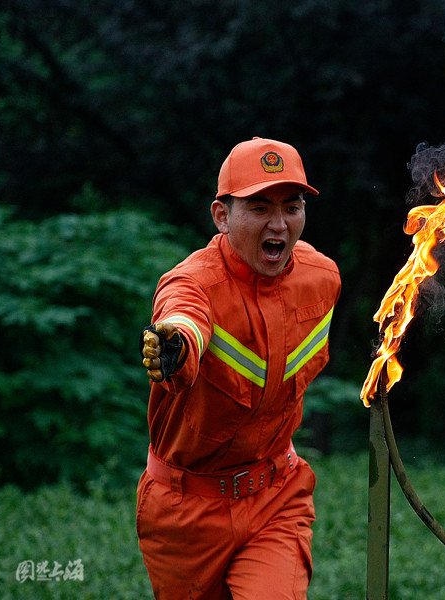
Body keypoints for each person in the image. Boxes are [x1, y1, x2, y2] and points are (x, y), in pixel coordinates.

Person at [136, 137, 341, 599]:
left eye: (292, 207)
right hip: (185, 513)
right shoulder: (193, 282)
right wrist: (177, 345)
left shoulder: (323, 278)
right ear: (221, 216)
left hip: (277, 497)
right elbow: (182, 315)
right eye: (259, 208)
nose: (279, 224)